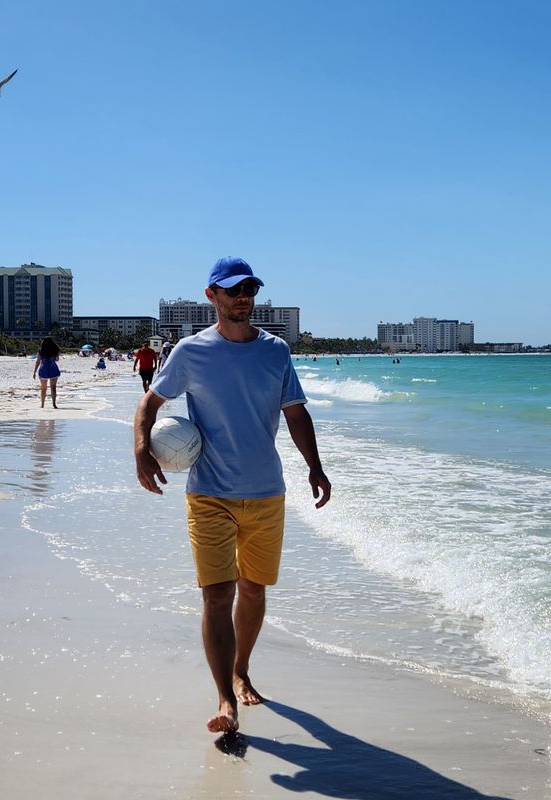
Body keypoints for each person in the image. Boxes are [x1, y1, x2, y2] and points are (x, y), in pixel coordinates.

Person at [134, 256, 331, 734]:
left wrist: (315, 466)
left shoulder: (276, 352)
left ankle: (241, 667)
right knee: (218, 593)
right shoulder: (190, 352)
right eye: (233, 290)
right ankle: (226, 700)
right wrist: (142, 448)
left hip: (266, 492)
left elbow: (295, 413)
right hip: (210, 494)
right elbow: (150, 403)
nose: (243, 296)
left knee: (254, 589)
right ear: (212, 297)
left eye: (249, 289)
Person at [33, 336, 61, 408]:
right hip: (53, 369)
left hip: (43, 369)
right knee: (53, 387)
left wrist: (34, 372)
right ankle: (54, 404)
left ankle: (42, 404)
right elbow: (57, 359)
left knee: (43, 388)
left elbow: (38, 362)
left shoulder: (41, 350)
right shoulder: (55, 349)